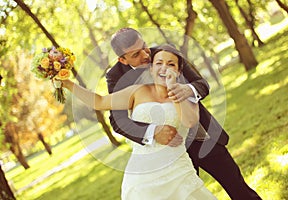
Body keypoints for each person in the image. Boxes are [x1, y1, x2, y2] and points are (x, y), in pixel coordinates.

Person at [106, 28, 262, 200]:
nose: (145, 55)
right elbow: (117, 120)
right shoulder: (115, 76)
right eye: (136, 54)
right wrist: (153, 132)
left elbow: (201, 83)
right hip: (169, 152)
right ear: (122, 59)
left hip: (201, 137)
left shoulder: (166, 53)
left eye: (144, 46)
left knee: (238, 188)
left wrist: (187, 89)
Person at [60, 44, 217, 199]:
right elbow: (99, 102)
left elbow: (190, 121)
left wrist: (173, 88)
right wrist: (68, 83)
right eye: (159, 63)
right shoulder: (137, 92)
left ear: (178, 71)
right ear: (151, 68)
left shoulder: (184, 95)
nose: (164, 68)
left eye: (171, 64)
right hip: (142, 178)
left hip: (179, 172)